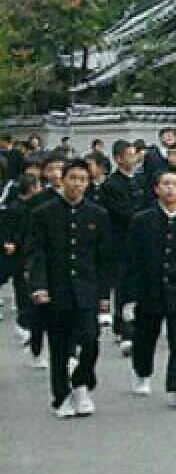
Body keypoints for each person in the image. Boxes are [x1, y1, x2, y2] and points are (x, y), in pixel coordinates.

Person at [26, 158, 111, 419]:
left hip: (86, 288)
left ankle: (82, 382)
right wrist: (39, 286)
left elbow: (104, 258)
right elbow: (36, 253)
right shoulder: (43, 213)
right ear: (62, 180)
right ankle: (61, 396)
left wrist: (104, 296)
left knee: (90, 341)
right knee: (60, 346)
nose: (77, 184)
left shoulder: (98, 215)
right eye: (72, 178)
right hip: (56, 288)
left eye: (83, 179)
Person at [125, 169, 176, 411]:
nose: (170, 188)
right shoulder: (142, 220)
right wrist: (128, 296)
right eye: (165, 184)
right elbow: (131, 260)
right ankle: (142, 372)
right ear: (157, 189)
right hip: (149, 288)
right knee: (145, 336)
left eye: (175, 184)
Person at [100, 140, 146, 354]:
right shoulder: (111, 185)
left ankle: (129, 325)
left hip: (139, 242)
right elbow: (121, 213)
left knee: (137, 284)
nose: (134, 158)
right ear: (118, 158)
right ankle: (124, 327)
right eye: (129, 154)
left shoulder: (139, 181)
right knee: (123, 285)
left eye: (135, 154)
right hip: (119, 242)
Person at [1, 173, 46, 367]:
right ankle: (23, 321)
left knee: (23, 286)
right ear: (31, 188)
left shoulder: (32, 207)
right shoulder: (16, 208)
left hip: (26, 252)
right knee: (20, 285)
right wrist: (8, 242)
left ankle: (25, 321)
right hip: (16, 253)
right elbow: (8, 228)